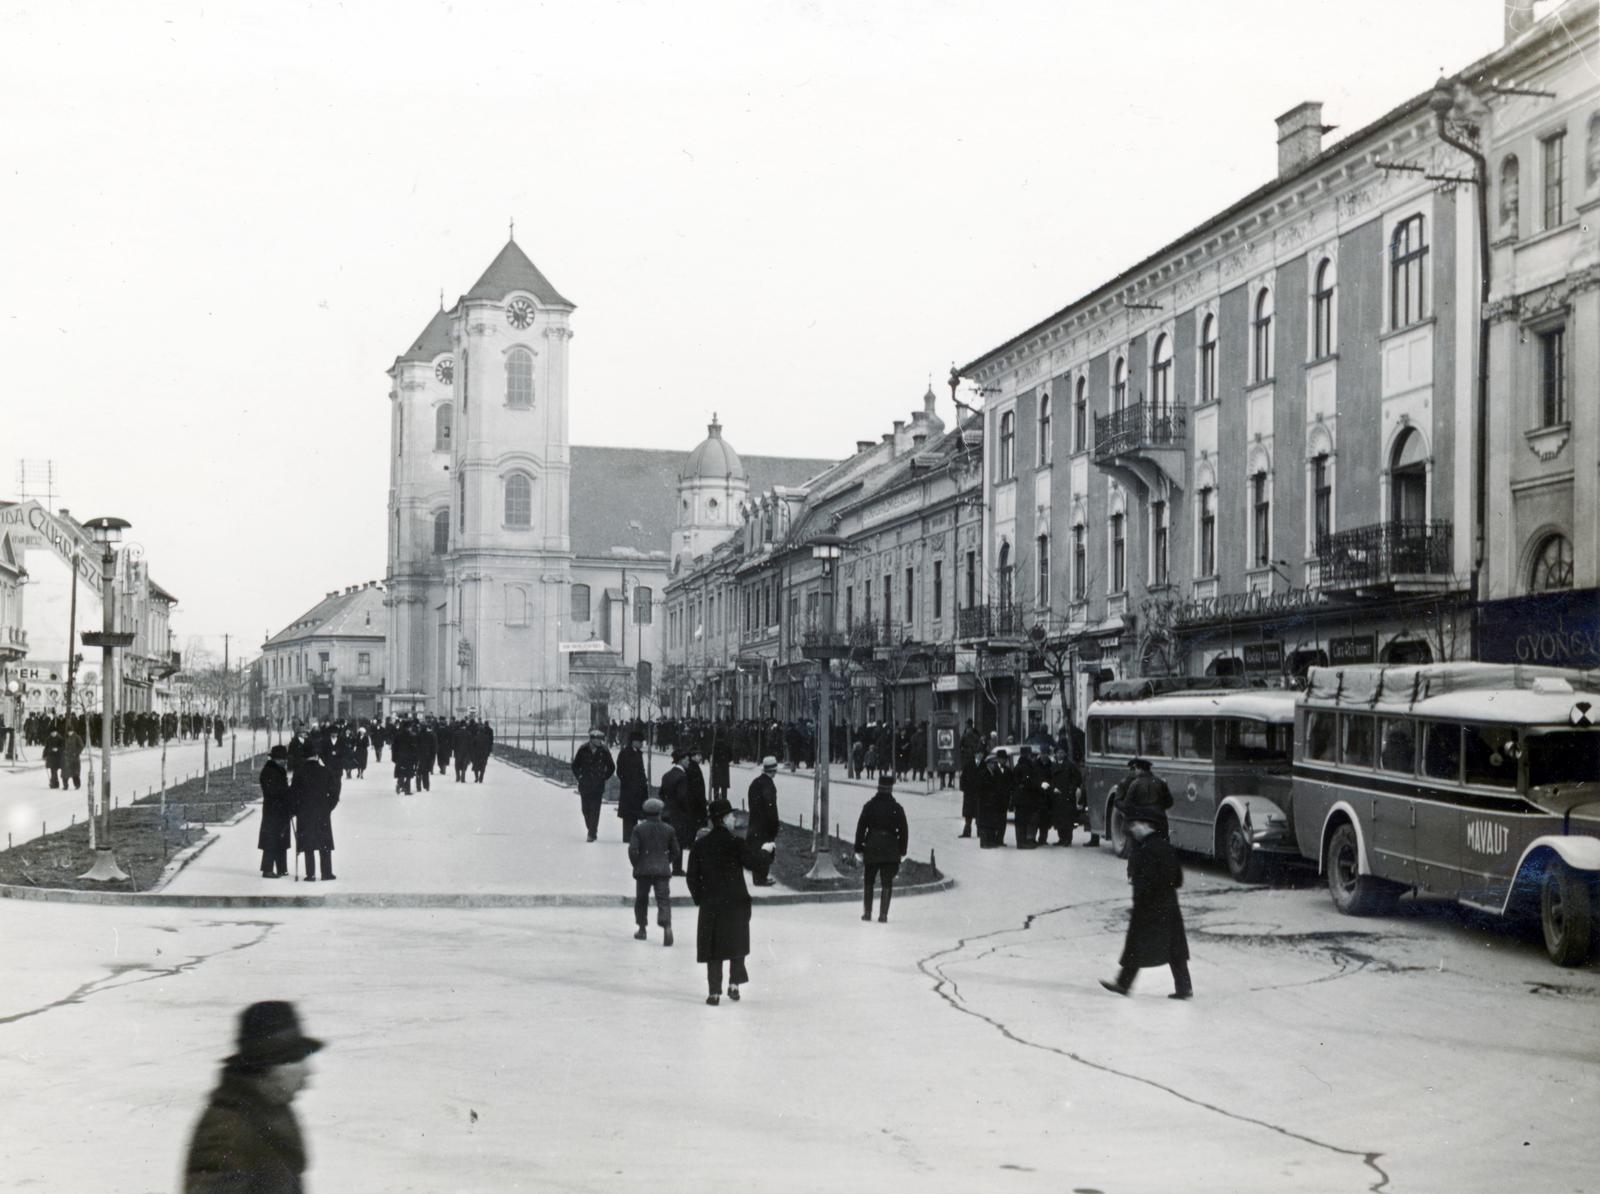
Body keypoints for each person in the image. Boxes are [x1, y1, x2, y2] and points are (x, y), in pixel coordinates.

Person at [183, 1000, 323, 1194]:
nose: (308, 1072)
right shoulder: (225, 1130)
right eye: (297, 1060)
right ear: (271, 1067)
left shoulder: (273, 1109)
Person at [686, 798, 775, 1006]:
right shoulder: (736, 843)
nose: (735, 818)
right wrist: (767, 851)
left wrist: (701, 898)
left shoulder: (700, 846)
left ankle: (714, 992)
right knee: (737, 943)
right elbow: (756, 864)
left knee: (713, 947)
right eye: (732, 815)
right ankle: (734, 984)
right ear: (724, 819)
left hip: (711, 903)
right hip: (736, 901)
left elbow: (692, 877)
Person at [1100, 808, 1193, 999]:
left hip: (1148, 907)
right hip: (1169, 906)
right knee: (1175, 947)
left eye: (1135, 825)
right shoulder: (1165, 847)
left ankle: (1123, 984)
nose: (1132, 829)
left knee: (1135, 945)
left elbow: (1143, 882)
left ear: (1146, 826)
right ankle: (1184, 988)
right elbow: (1178, 879)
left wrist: (1142, 898)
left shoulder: (1144, 849)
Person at [854, 773, 909, 922]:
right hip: (890, 848)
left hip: (872, 846)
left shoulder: (869, 806)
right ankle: (883, 915)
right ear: (891, 789)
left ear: (878, 788)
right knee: (887, 881)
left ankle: (867, 913)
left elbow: (861, 828)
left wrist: (858, 848)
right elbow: (904, 831)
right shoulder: (897, 808)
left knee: (869, 880)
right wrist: (902, 851)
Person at [628, 796, 678, 946]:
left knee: (641, 899)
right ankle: (666, 926)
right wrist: (665, 861)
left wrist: (637, 864)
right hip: (662, 870)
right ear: (660, 812)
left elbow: (633, 850)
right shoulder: (669, 829)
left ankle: (642, 928)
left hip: (643, 870)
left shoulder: (638, 829)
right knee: (663, 899)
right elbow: (675, 851)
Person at [290, 745, 338, 881]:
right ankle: (326, 873)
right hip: (322, 812)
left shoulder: (299, 772)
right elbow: (334, 793)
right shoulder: (325, 771)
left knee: (308, 843)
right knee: (324, 842)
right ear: (317, 757)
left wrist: (294, 810)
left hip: (304, 812)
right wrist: (329, 806)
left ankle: (310, 874)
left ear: (305, 758)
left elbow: (293, 794)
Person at [571, 728, 616, 842]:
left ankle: (591, 833)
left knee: (595, 810)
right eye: (598, 739)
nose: (600, 741)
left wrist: (604, 777)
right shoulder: (583, 749)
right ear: (592, 739)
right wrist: (580, 777)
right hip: (585, 785)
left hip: (598, 785)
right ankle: (592, 829)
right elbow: (575, 765)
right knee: (585, 809)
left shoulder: (604, 750)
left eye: (601, 739)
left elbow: (611, 766)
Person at [745, 756, 780, 887]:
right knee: (766, 850)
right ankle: (761, 878)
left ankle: (757, 877)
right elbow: (771, 807)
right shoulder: (769, 785)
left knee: (756, 849)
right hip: (765, 824)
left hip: (755, 822)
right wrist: (774, 824)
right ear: (773, 770)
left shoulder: (755, 782)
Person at [258, 745, 292, 879]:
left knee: (282, 838)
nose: (285, 761)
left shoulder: (279, 770)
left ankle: (281, 868)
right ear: (276, 759)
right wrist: (286, 793)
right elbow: (272, 791)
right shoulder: (269, 771)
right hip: (273, 810)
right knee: (271, 839)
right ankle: (267, 869)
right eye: (283, 759)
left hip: (281, 809)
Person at [1117, 757, 1173, 838]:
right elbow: (1169, 802)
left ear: (1140, 769)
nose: (1135, 771)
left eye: (1136, 768)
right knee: (1164, 840)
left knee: (1131, 840)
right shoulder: (1160, 782)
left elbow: (1127, 804)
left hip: (1140, 819)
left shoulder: (1135, 784)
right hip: (1159, 819)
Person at [658, 750, 691, 875]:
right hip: (678, 813)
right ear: (681, 760)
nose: (688, 762)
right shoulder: (682, 776)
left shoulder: (667, 775)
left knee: (667, 841)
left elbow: (661, 793)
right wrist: (686, 809)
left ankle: (663, 865)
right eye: (687, 760)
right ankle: (677, 869)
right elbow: (682, 796)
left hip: (667, 811)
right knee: (678, 841)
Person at [616, 730, 649, 841]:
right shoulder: (625, 753)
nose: (641, 744)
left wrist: (643, 780)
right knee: (628, 815)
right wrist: (628, 782)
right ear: (633, 742)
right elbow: (620, 771)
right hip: (629, 789)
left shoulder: (638, 753)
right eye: (640, 742)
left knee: (634, 813)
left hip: (638, 789)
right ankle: (627, 837)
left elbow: (641, 770)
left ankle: (633, 837)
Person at [62, 724, 84, 790]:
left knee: (75, 773)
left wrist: (76, 753)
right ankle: (65, 785)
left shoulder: (77, 737)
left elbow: (81, 746)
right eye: (68, 732)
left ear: (73, 731)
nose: (69, 733)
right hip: (66, 757)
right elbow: (63, 746)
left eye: (71, 731)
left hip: (74, 758)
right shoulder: (65, 737)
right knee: (65, 773)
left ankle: (77, 785)